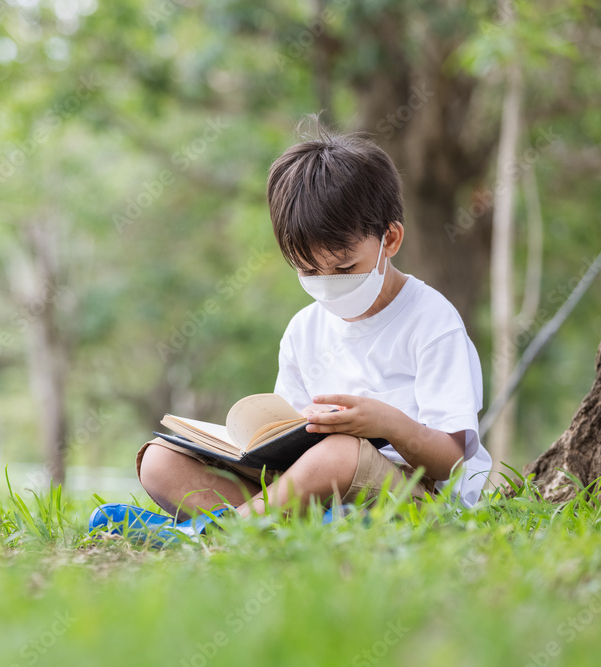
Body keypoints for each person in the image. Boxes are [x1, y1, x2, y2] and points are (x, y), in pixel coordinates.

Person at [94, 118, 492, 535]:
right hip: (314, 487)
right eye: (308, 270)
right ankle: (284, 528)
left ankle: (220, 532)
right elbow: (285, 454)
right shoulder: (304, 330)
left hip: (416, 495)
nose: (328, 283)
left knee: (340, 453)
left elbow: (452, 459)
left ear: (390, 240)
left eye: (344, 267)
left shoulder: (432, 320)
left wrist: (386, 423)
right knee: (160, 459)